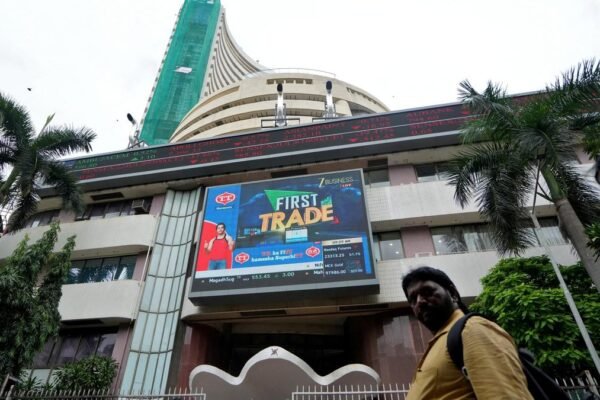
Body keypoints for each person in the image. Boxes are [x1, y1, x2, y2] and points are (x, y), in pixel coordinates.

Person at [402, 266, 533, 400]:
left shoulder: (472, 329)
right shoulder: (439, 342)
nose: (419, 301)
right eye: (413, 299)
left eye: (427, 292)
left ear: (452, 293)